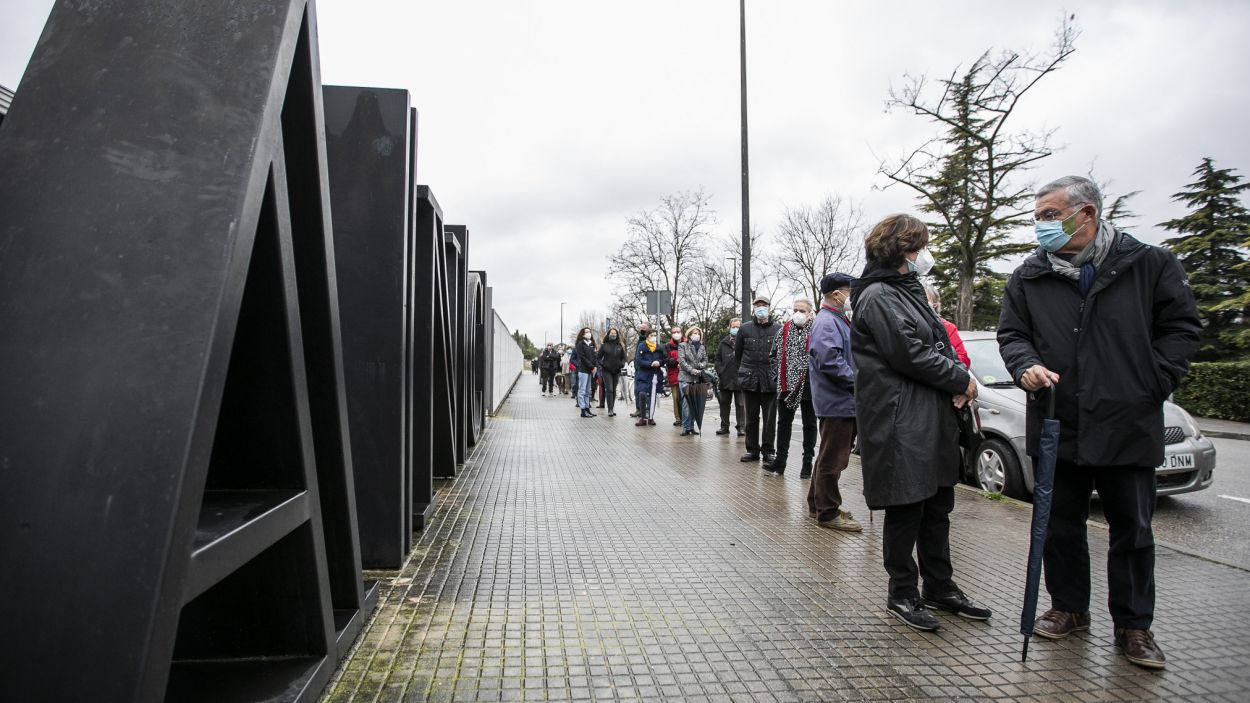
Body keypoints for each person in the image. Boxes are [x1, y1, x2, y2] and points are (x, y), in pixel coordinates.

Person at [998, 175, 1200, 670]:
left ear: (1086, 214)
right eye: (1038, 216)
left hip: (1125, 421)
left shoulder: (1149, 265)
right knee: (1059, 526)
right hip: (1057, 419)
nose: (1040, 225)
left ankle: (1134, 625)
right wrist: (1024, 365)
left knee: (1132, 529)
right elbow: (1012, 334)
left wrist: (1153, 381)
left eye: (1049, 215)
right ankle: (1069, 608)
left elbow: (1182, 328)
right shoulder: (1028, 277)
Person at [852, 213, 991, 632]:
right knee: (907, 506)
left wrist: (958, 378)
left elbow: (939, 341)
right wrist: (960, 378)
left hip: (929, 417)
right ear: (899, 251)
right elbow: (908, 352)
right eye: (917, 248)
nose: (922, 256)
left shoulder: (906, 290)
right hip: (900, 420)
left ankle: (940, 586)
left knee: (937, 506)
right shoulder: (878, 295)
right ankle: (902, 592)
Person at [806, 272, 862, 532]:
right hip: (838, 401)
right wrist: (859, 382)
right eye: (849, 291)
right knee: (834, 459)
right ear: (836, 293)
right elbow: (829, 361)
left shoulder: (837, 319)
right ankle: (828, 512)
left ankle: (817, 504)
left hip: (840, 401)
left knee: (827, 456)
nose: (853, 296)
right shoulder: (828, 321)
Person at [766, 299, 817, 477]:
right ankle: (780, 462)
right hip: (786, 383)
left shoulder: (817, 329)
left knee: (809, 424)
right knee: (783, 423)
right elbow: (772, 356)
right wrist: (777, 375)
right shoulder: (784, 330)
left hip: (809, 383)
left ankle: (807, 463)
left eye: (802, 310)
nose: (798, 313)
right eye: (795, 309)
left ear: (810, 313)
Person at [736, 295, 781, 463]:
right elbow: (738, 355)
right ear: (753, 308)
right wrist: (743, 372)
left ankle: (768, 450)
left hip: (770, 379)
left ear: (769, 307)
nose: (760, 308)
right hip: (750, 378)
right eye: (757, 305)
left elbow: (781, 355)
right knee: (751, 418)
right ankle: (752, 450)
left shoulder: (778, 328)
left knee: (770, 419)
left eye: (764, 305)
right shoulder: (744, 329)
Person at [922, 281, 969, 367]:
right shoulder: (905, 325)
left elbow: (963, 360)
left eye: (924, 299)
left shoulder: (946, 327)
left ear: (934, 305)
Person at [714, 318, 746, 437]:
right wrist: (720, 371)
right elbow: (717, 359)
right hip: (725, 378)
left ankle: (741, 427)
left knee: (741, 405)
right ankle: (724, 427)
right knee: (724, 403)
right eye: (733, 326)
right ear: (729, 327)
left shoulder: (744, 342)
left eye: (738, 327)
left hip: (740, 378)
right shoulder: (723, 342)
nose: (735, 329)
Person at [678, 326, 709, 436]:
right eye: (694, 333)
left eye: (698, 333)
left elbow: (705, 360)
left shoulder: (701, 347)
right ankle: (685, 427)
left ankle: (692, 426)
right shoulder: (682, 345)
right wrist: (692, 370)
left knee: (695, 404)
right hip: (685, 378)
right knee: (686, 404)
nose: (696, 335)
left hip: (697, 379)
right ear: (689, 334)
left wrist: (700, 366)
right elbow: (681, 361)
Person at [634, 329, 666, 426]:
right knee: (642, 394)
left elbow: (664, 359)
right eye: (652, 335)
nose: (654, 337)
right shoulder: (642, 346)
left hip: (655, 375)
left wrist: (659, 363)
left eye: (655, 335)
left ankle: (651, 417)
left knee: (652, 396)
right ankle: (643, 417)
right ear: (647, 336)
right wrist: (650, 364)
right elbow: (639, 360)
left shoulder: (659, 347)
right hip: (644, 374)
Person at [597, 327, 626, 417]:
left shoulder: (620, 346)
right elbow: (598, 358)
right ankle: (609, 409)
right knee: (609, 389)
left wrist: (622, 364)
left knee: (613, 390)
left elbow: (624, 358)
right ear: (609, 334)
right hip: (606, 371)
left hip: (616, 371)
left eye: (615, 333)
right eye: (611, 333)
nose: (613, 334)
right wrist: (603, 364)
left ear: (617, 335)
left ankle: (612, 408)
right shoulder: (604, 345)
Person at [574, 327, 598, 418]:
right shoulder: (580, 344)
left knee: (588, 391)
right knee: (582, 390)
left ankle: (588, 409)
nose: (589, 333)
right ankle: (583, 410)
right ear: (582, 334)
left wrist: (595, 366)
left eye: (589, 332)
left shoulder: (591, 344)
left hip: (590, 370)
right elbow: (582, 358)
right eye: (586, 332)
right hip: (583, 370)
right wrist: (592, 367)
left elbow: (594, 356)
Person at [631, 322, 651, 417]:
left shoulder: (650, 340)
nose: (642, 329)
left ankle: (646, 410)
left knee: (646, 391)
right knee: (637, 390)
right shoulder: (639, 339)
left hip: (646, 369)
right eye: (641, 327)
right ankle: (638, 409)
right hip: (638, 369)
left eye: (644, 327)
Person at [665, 326, 684, 427]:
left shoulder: (687, 343)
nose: (676, 333)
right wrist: (676, 361)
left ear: (681, 332)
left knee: (685, 398)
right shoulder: (667, 346)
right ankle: (678, 419)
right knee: (676, 398)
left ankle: (686, 417)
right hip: (674, 375)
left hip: (685, 375)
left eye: (678, 332)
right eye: (674, 332)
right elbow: (666, 360)